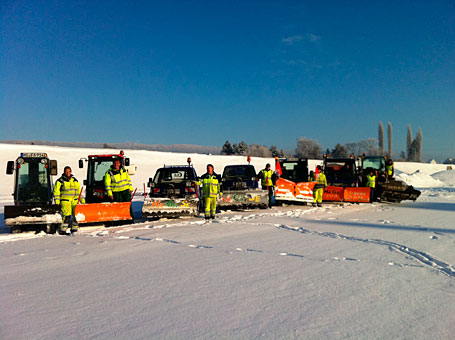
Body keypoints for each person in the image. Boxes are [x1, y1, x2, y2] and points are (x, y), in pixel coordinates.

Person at [53, 166, 84, 234]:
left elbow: (79, 191)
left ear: (71, 172)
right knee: (67, 216)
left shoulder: (75, 180)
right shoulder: (60, 181)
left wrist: (82, 200)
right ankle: (63, 230)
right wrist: (57, 201)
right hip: (65, 201)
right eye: (66, 172)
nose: (68, 173)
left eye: (69, 171)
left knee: (75, 215)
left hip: (74, 201)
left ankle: (74, 229)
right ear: (64, 172)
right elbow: (56, 192)